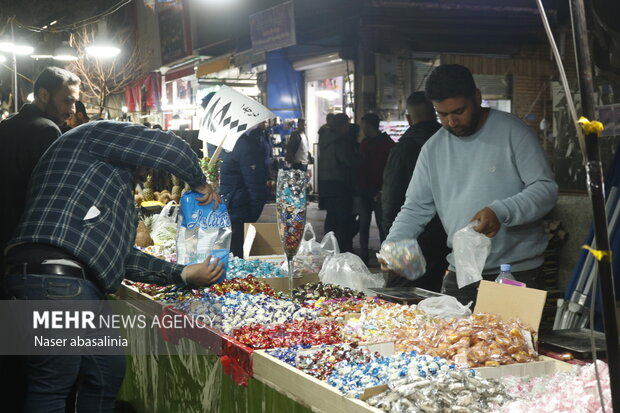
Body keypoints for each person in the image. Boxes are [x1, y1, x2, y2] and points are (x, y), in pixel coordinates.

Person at [2, 121, 224, 412]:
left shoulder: (101, 180)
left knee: (107, 369)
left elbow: (120, 256)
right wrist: (200, 182)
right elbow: (169, 147)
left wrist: (181, 273)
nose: (146, 171)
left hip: (71, 285)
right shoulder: (94, 135)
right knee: (53, 383)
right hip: (54, 280)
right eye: (146, 164)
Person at [383, 64, 558, 305]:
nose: (451, 121)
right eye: (441, 114)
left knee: (513, 342)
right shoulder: (432, 149)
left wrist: (500, 211)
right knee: (455, 341)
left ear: (477, 97)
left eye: (459, 111)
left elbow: (545, 188)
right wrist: (393, 245)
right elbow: (414, 208)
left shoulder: (513, 132)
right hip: (462, 272)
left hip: (515, 272)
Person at [0, 65, 80, 413]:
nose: (71, 110)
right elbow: (53, 194)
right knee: (41, 368)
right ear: (43, 95)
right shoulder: (46, 131)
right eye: (66, 100)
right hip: (26, 254)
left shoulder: (6, 127)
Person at [382, 91, 448, 291]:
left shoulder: (404, 149)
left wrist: (391, 244)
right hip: (446, 238)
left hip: (411, 240)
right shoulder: (449, 144)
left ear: (409, 119)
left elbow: (391, 201)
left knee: (406, 300)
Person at [219, 127, 268, 258]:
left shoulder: (227, 143)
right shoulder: (243, 145)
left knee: (231, 259)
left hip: (231, 212)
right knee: (232, 259)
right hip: (231, 212)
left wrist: (251, 216)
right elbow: (256, 186)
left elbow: (255, 186)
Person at [318, 113, 359, 253]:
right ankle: (341, 250)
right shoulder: (340, 141)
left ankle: (329, 248)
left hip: (326, 183)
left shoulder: (325, 139)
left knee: (331, 217)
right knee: (343, 219)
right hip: (339, 183)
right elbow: (348, 161)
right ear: (342, 125)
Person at [357, 113, 395, 263]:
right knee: (365, 225)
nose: (362, 129)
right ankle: (364, 257)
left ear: (368, 125)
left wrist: (384, 189)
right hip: (365, 191)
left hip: (380, 192)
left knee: (382, 225)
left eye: (363, 126)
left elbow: (390, 170)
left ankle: (385, 257)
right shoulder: (366, 143)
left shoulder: (386, 144)